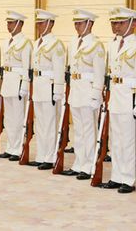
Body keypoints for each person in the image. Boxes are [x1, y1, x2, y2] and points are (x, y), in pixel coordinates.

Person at [60, 10, 105, 180]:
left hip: (88, 91)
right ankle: (79, 163)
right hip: (76, 90)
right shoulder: (73, 42)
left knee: (89, 129)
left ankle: (88, 165)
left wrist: (96, 94)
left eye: (80, 23)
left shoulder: (96, 45)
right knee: (78, 130)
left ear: (90, 24)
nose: (77, 26)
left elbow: (99, 73)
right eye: (75, 23)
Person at [101, 6, 136, 193]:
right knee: (116, 139)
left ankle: (129, 178)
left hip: (130, 96)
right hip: (116, 95)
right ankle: (117, 175)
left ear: (133, 23)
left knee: (129, 139)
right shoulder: (113, 44)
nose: (117, 27)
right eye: (114, 23)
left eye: (121, 23)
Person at [30, 9, 65, 170]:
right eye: (38, 23)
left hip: (49, 86)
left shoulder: (55, 44)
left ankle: (50, 157)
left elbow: (59, 69)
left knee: (50, 123)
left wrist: (58, 90)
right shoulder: (37, 43)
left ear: (51, 24)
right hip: (38, 86)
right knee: (41, 124)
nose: (39, 26)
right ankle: (41, 155)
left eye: (42, 22)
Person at [0, 10, 32, 161]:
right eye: (8, 23)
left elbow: (26, 67)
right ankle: (10, 147)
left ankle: (17, 149)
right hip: (8, 82)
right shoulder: (6, 42)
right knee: (9, 118)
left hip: (18, 82)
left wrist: (25, 85)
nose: (8, 26)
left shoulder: (25, 43)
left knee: (17, 117)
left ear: (20, 24)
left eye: (11, 23)